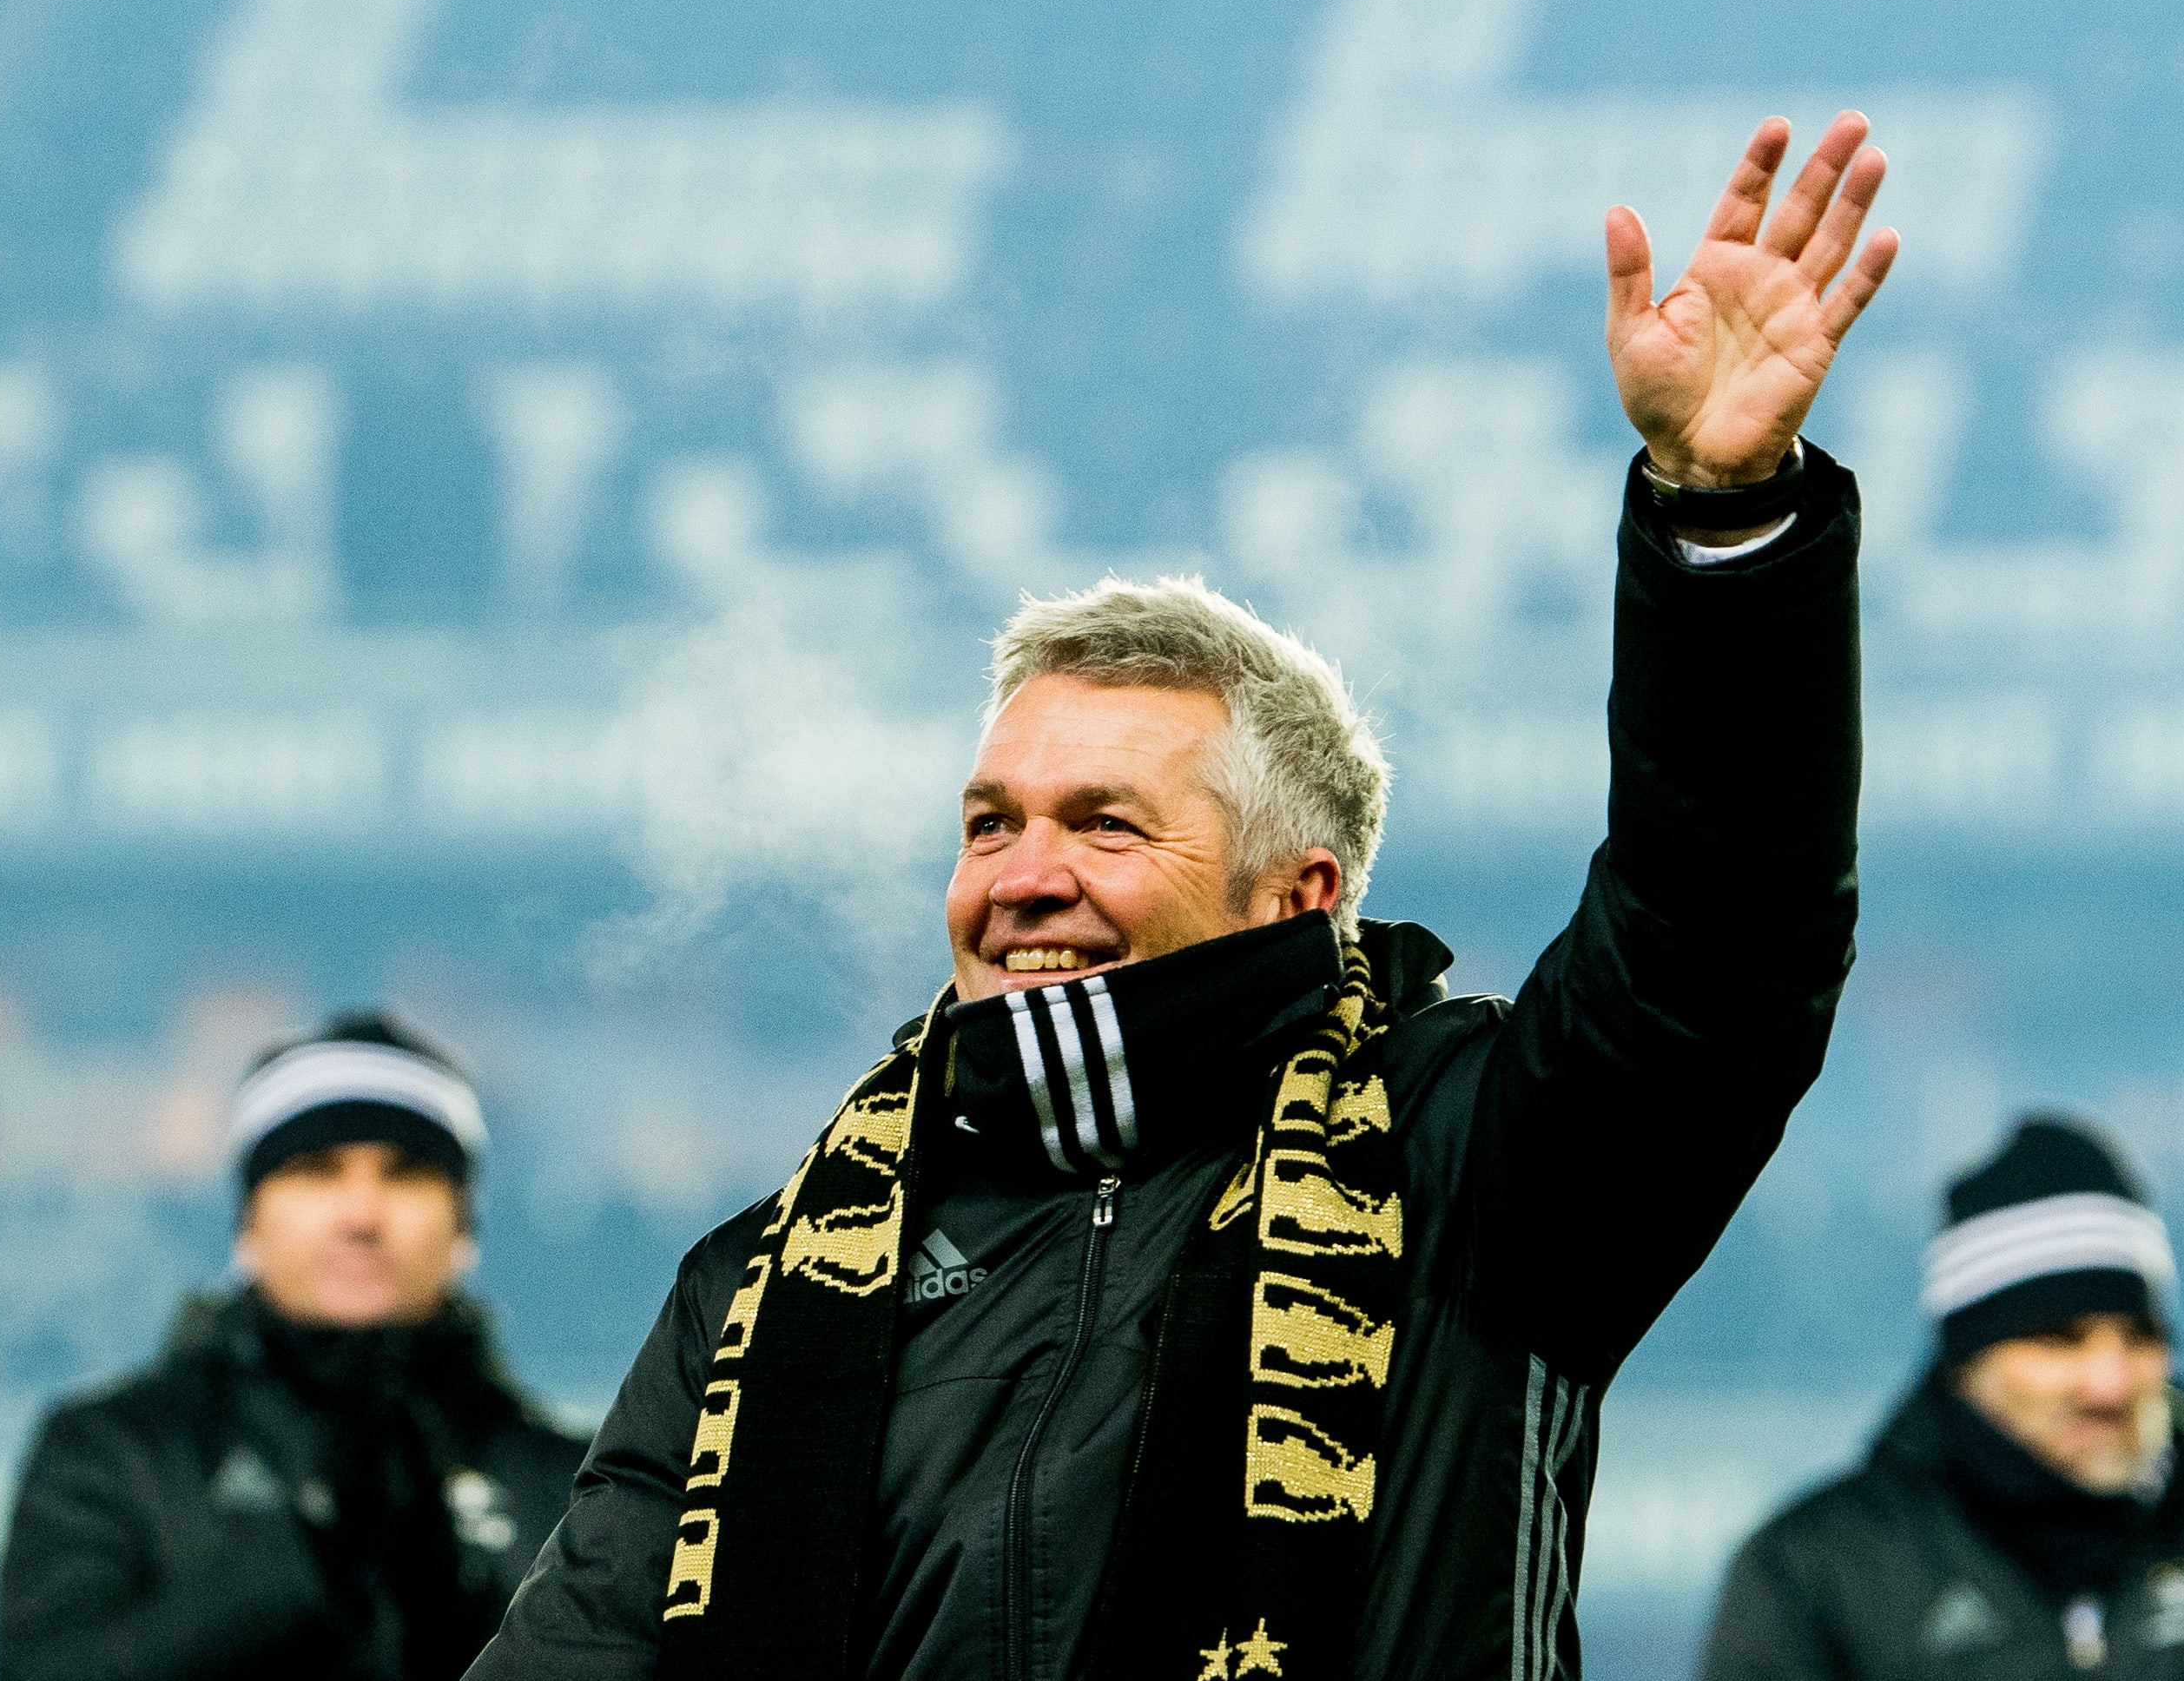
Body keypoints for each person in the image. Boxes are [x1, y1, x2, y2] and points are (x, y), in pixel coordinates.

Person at [473, 111, 1893, 1681]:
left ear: (1297, 893)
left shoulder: (1472, 1163)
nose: (1025, 876)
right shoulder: (769, 1279)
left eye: (1104, 824)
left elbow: (1716, 945)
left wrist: (1721, 515)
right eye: (990, 823)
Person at [0, 1011, 588, 1681]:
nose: (360, 1213)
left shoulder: (576, 1485)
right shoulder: (116, 1452)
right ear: (248, 1222)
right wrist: (303, 1562)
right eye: (316, 1170)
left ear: (463, 1228)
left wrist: (454, 1587)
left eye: (405, 1172)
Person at [1700, 1116, 2184, 1681]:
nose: (2108, 1382)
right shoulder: (1818, 1571)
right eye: (2058, 1339)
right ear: (1966, 1362)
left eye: (2139, 1336)